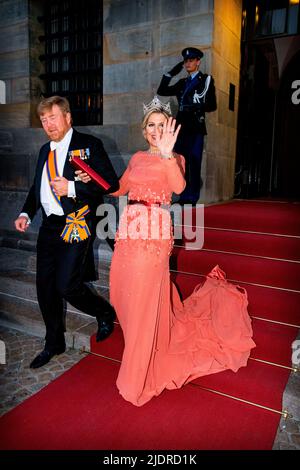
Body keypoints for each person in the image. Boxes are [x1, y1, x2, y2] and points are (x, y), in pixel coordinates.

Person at [77, 97, 256, 407]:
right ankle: (142, 345)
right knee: (120, 294)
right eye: (152, 125)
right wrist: (90, 178)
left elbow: (178, 187)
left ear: (170, 128)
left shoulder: (176, 158)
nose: (157, 130)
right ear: (145, 131)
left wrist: (168, 154)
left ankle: (137, 372)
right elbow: (118, 189)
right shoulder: (136, 158)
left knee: (144, 299)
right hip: (129, 230)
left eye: (162, 125)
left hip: (154, 232)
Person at [14, 96, 120, 369]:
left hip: (77, 220)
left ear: (68, 118)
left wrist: (72, 188)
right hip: (49, 225)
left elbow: (109, 183)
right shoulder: (43, 151)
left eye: (53, 117)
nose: (48, 124)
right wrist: (26, 213)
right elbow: (36, 189)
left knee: (67, 285)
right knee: (45, 287)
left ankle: (104, 311)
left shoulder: (89, 145)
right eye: (43, 119)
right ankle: (54, 341)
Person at [157, 46, 217, 205]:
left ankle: (192, 198)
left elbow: (212, 105)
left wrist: (195, 106)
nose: (187, 63)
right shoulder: (183, 82)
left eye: (191, 60)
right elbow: (161, 90)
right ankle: (183, 196)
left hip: (196, 127)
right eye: (185, 61)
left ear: (198, 62)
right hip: (181, 128)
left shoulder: (206, 80)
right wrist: (170, 74)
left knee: (194, 162)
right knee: (181, 162)